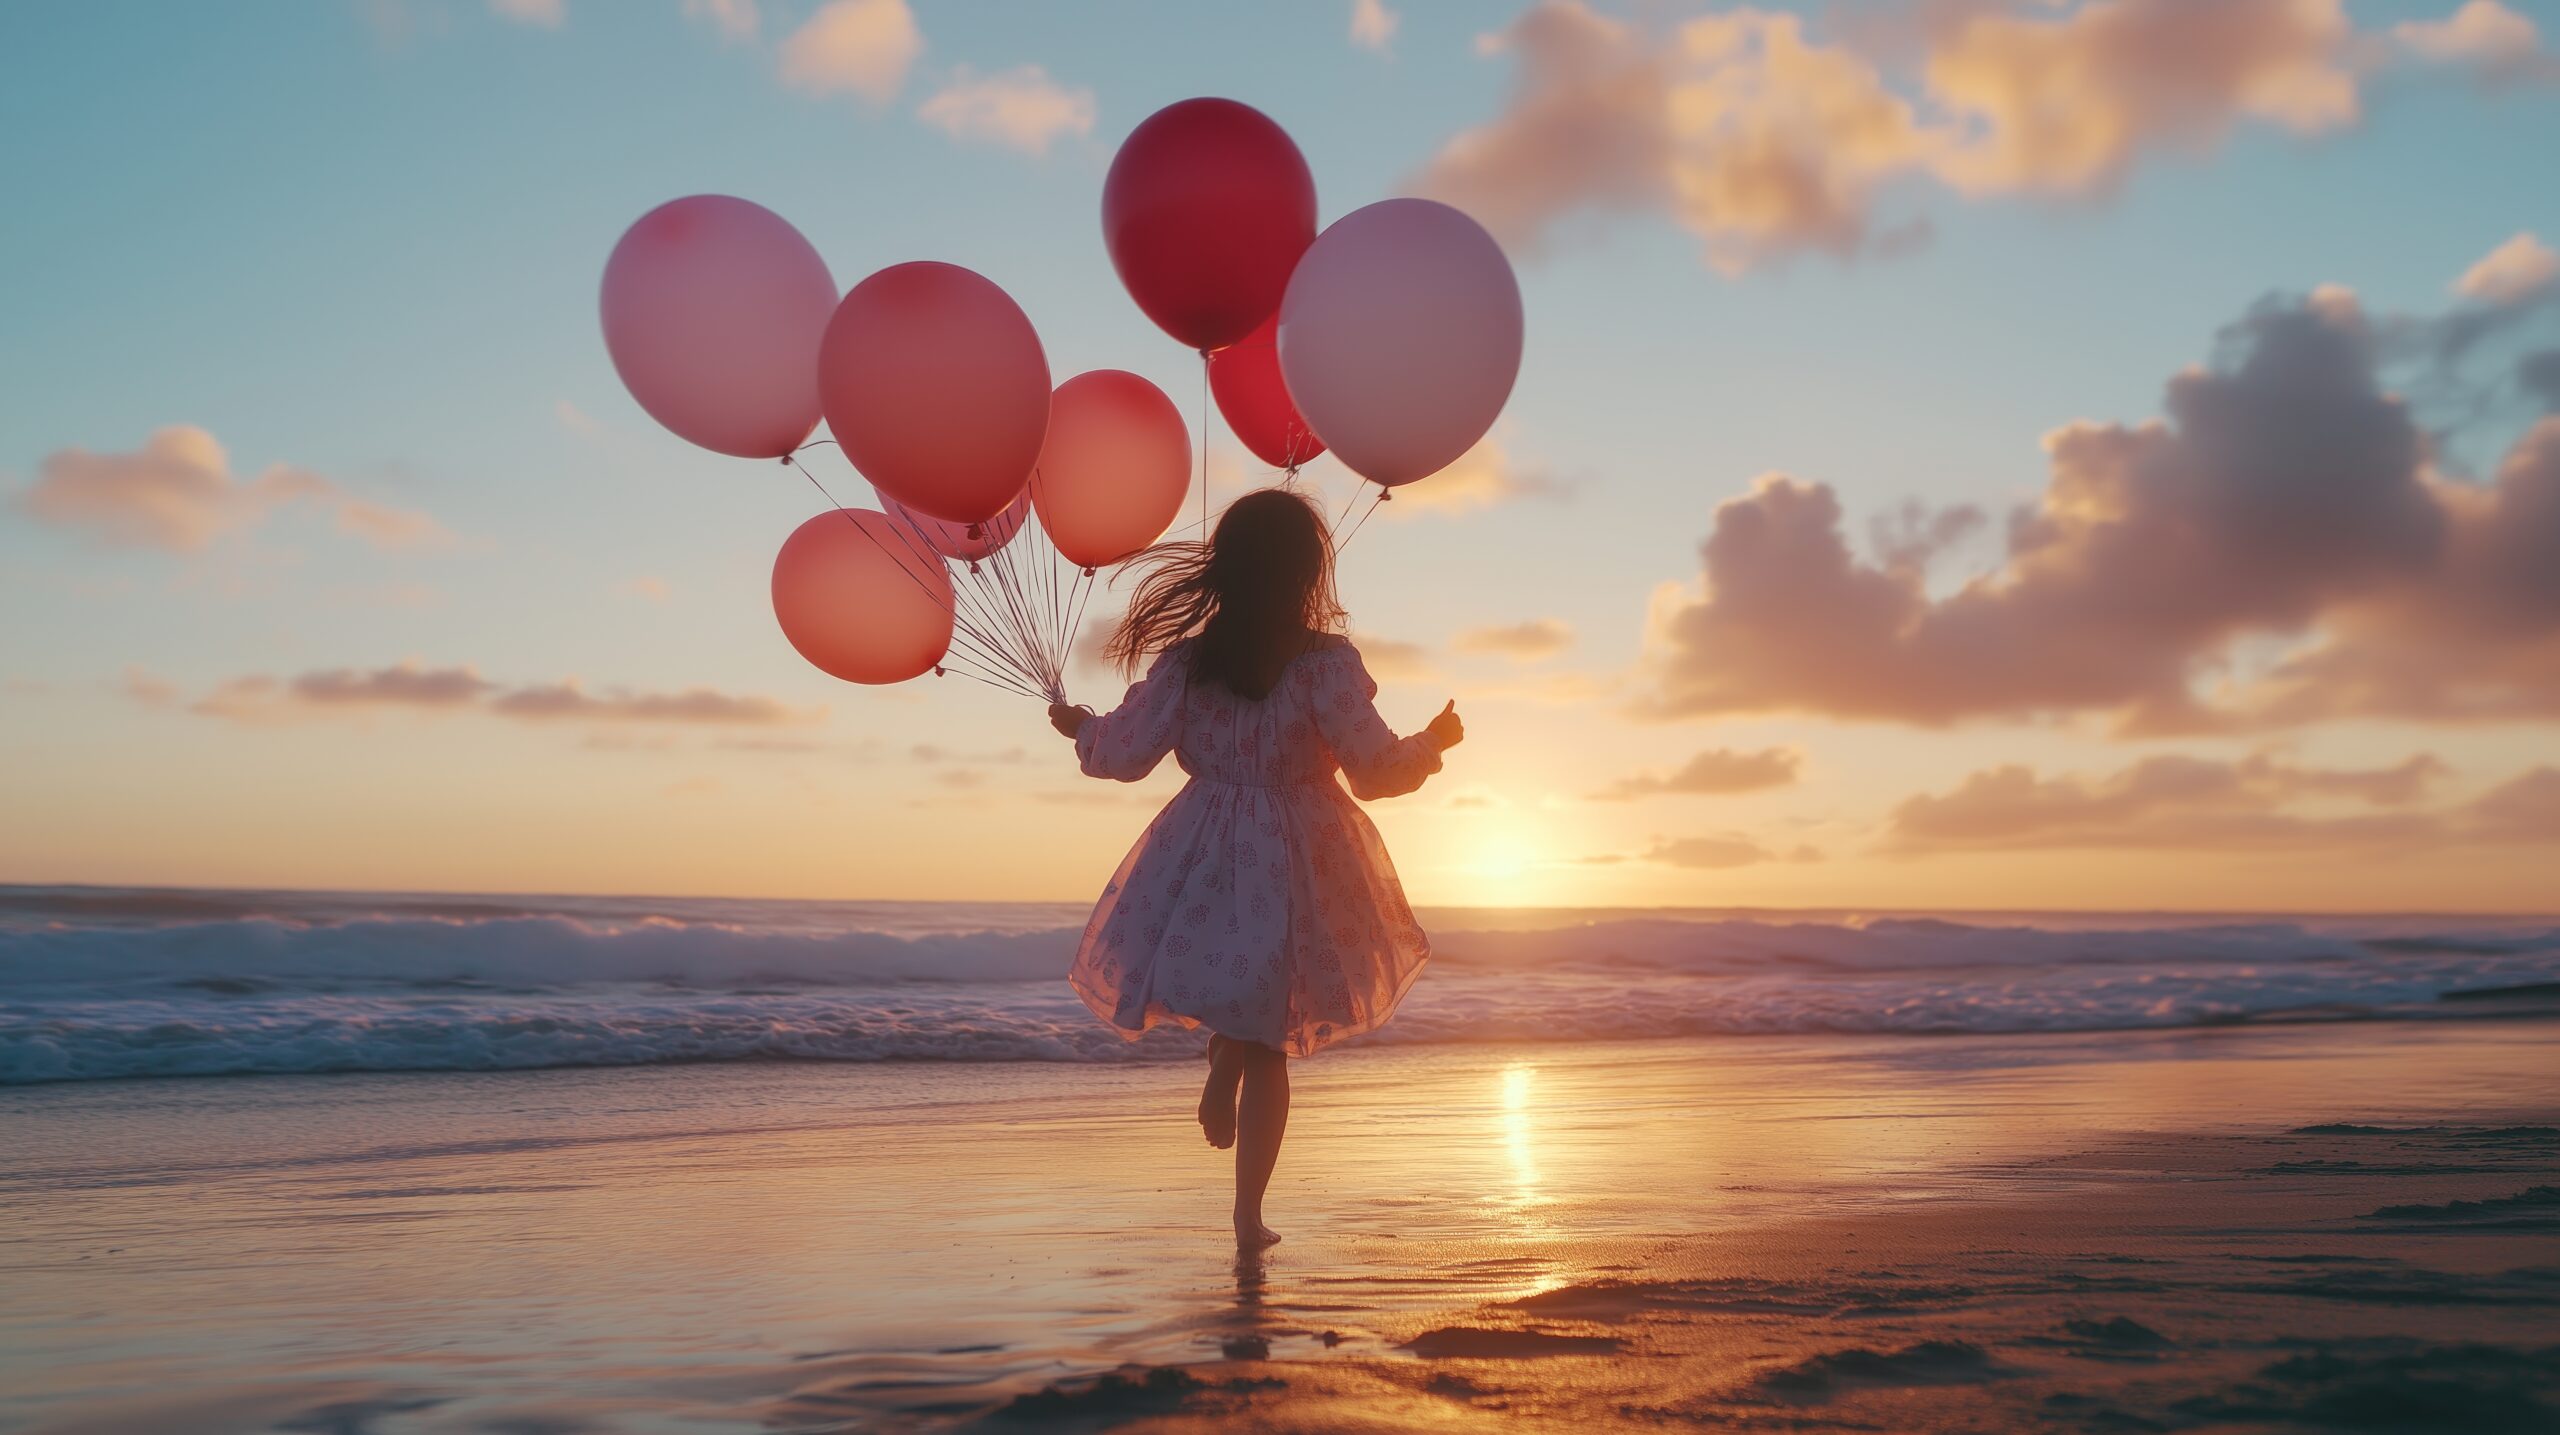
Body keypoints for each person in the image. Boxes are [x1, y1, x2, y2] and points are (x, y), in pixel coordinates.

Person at [1046, 487, 1462, 1247]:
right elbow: (1373, 769)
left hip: (1203, 841)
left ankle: (1223, 1063)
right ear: (1308, 573)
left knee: (1243, 985)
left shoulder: (1189, 662)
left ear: (1224, 568)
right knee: (1272, 1019)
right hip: (1302, 847)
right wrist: (1433, 742)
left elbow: (1130, 752)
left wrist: (1083, 730)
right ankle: (1247, 1216)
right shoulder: (1324, 665)